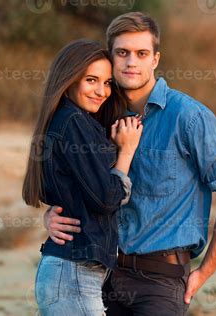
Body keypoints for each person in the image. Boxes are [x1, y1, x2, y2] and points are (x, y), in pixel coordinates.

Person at [45, 12, 216, 315]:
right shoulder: (97, 115)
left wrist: (205, 271)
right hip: (101, 274)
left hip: (160, 281)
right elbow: (86, 186)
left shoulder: (189, 118)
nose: (131, 62)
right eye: (122, 53)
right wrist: (53, 214)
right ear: (110, 58)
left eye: (141, 54)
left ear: (155, 59)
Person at [22, 39, 143, 315]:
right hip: (73, 275)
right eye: (91, 80)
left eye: (108, 82)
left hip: (71, 273)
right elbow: (107, 197)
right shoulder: (73, 122)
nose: (101, 91)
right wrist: (126, 153)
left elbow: (67, 191)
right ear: (69, 79)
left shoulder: (75, 121)